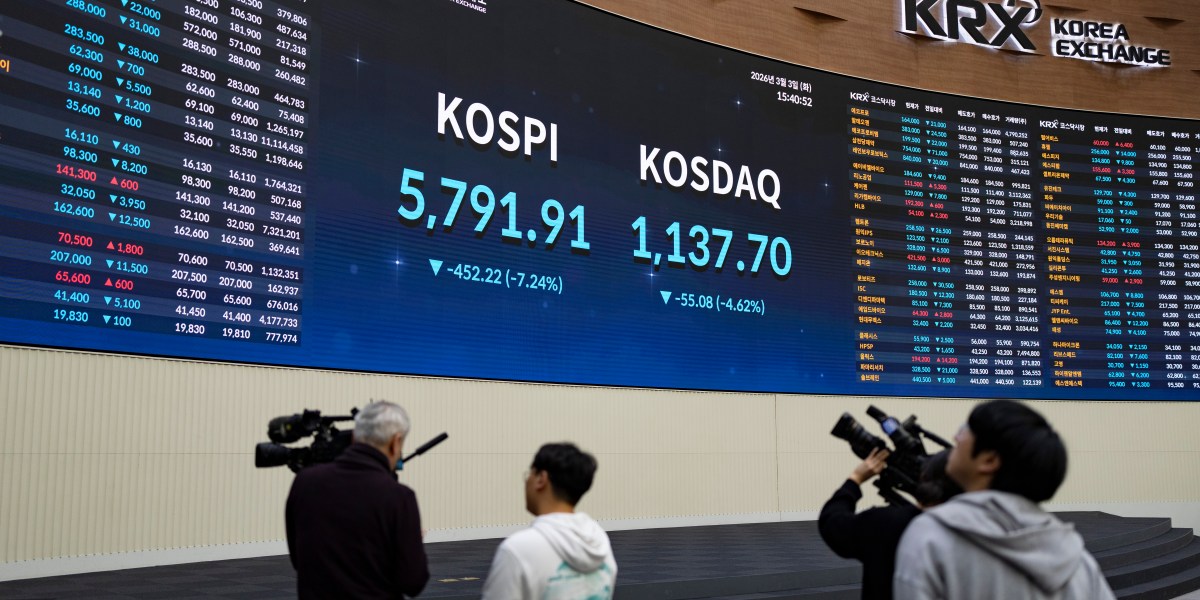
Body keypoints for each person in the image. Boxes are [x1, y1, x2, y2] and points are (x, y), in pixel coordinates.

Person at [893, 400, 1115, 600]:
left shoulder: (931, 537)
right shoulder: (1079, 562)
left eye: (965, 430)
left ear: (989, 461)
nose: (955, 438)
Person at [286, 400, 429, 599]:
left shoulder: (304, 481)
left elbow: (299, 561)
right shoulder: (399, 497)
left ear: (354, 437)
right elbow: (413, 583)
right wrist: (412, 542)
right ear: (395, 442)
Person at [818, 448, 962, 599]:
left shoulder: (884, 523)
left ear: (924, 478)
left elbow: (832, 522)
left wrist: (855, 479)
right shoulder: (973, 530)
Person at [481, 442, 617, 600]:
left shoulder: (517, 550)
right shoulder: (600, 543)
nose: (526, 481)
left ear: (541, 479)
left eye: (530, 474)